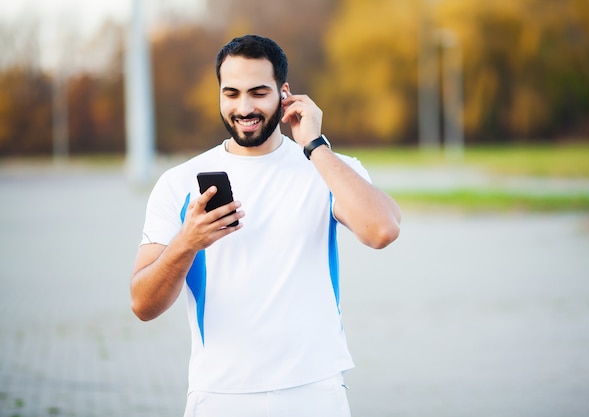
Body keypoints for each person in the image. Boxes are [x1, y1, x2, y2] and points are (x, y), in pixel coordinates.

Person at [130, 34, 401, 417]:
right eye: (232, 93)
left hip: (314, 390)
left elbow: (382, 230)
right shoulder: (178, 183)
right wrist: (186, 243)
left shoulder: (326, 169)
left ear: (284, 93)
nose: (244, 107)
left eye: (258, 92)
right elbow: (142, 304)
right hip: (221, 395)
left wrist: (315, 145)